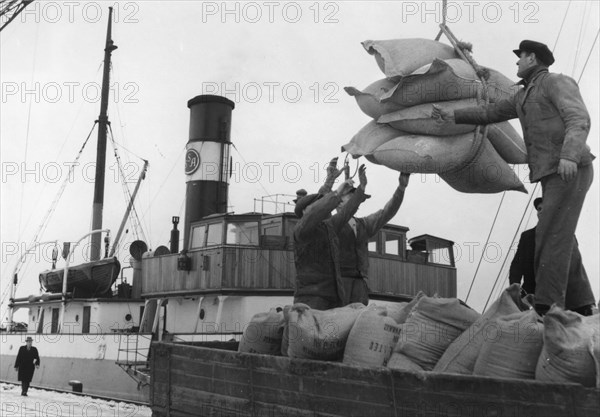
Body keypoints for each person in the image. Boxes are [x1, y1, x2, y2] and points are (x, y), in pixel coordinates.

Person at [432, 39, 596, 315]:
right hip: (551, 171)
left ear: (532, 59)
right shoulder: (522, 95)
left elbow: (579, 118)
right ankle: (581, 304)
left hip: (570, 167)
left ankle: (548, 305)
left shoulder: (556, 83)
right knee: (560, 234)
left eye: (520, 57)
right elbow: (490, 112)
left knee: (550, 234)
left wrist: (569, 154)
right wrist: (452, 116)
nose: (517, 62)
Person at [293, 165, 368, 310]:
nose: (325, 207)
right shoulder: (301, 230)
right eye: (316, 204)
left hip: (334, 298)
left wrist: (361, 188)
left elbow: (347, 211)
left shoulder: (328, 226)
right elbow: (318, 210)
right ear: (305, 211)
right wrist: (338, 192)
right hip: (311, 300)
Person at [336, 172, 410, 306]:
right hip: (338, 283)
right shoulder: (329, 224)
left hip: (360, 285)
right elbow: (318, 209)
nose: (357, 200)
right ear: (339, 202)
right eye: (351, 196)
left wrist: (401, 188)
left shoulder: (364, 225)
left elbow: (387, 212)